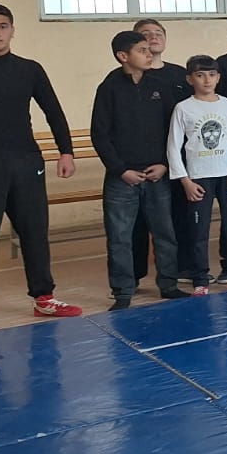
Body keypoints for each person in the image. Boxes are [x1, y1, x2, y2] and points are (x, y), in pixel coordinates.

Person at [90, 30, 185, 314]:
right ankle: (122, 290)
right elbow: (100, 134)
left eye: (148, 49)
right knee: (120, 236)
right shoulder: (109, 88)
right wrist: (120, 170)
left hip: (157, 173)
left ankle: (168, 284)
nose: (149, 53)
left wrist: (165, 163)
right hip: (122, 177)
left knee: (165, 232)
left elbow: (173, 129)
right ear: (123, 56)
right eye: (142, 50)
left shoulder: (159, 85)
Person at [168, 55, 227, 295]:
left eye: (212, 75)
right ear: (190, 79)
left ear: (218, 77)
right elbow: (173, 147)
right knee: (199, 230)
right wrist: (185, 180)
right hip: (199, 177)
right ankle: (200, 279)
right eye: (200, 75)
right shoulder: (183, 108)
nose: (207, 80)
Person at [126, 18, 190, 284]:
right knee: (138, 221)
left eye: (158, 33)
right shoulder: (128, 77)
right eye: (145, 34)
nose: (153, 37)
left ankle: (181, 268)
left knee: (180, 215)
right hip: (143, 160)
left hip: (178, 159)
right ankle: (134, 274)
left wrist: (172, 160)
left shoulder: (180, 75)